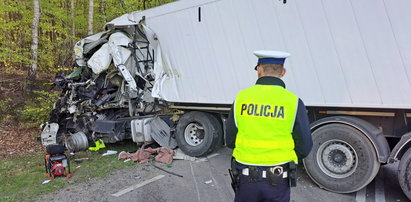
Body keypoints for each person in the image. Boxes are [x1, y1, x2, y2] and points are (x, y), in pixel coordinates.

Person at [226, 50, 313, 202]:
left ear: (259, 69)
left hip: (246, 178)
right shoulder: (293, 102)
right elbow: (305, 145)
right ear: (283, 72)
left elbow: (230, 139)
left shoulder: (241, 98)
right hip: (278, 178)